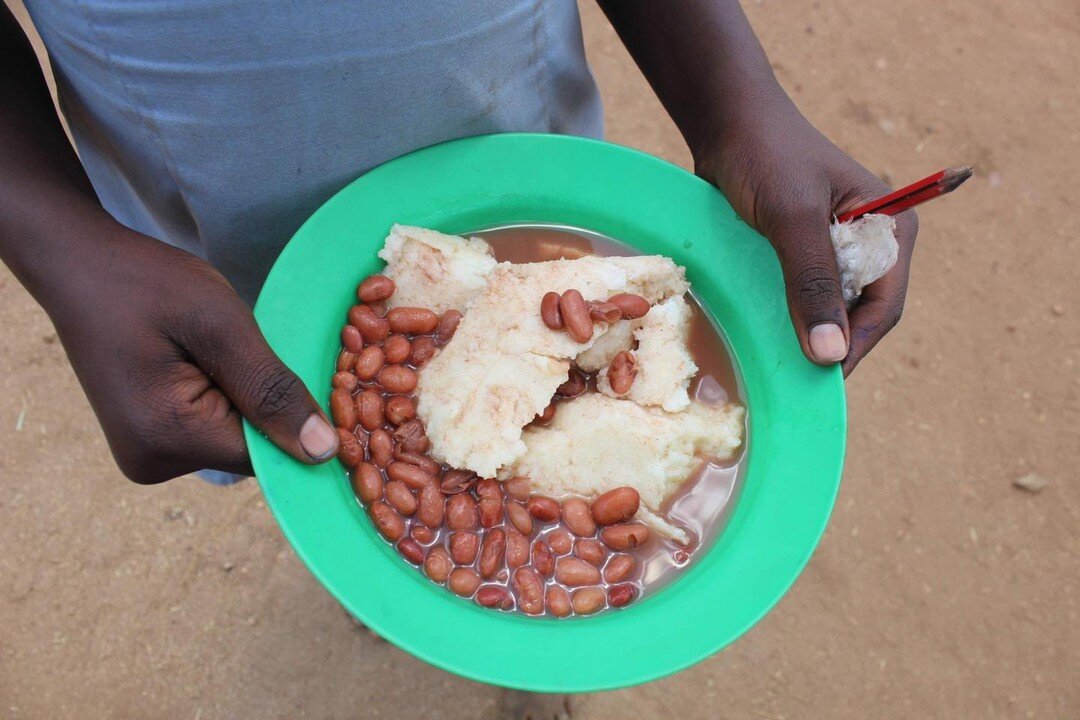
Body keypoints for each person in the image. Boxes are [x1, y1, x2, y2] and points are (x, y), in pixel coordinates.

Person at [0, 1, 917, 486]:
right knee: (293, 418)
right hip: (207, 228)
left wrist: (733, 98)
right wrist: (61, 242)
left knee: (383, 437)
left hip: (522, 167)